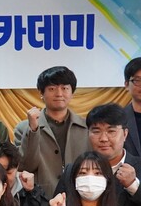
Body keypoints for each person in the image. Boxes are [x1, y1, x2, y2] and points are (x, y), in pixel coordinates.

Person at [16, 66, 90, 196]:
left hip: (80, 197)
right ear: (41, 93)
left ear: (72, 93)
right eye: (52, 89)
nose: (59, 94)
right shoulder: (24, 128)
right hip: (41, 199)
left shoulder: (87, 127)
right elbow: (25, 167)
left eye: (65, 88)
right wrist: (33, 130)